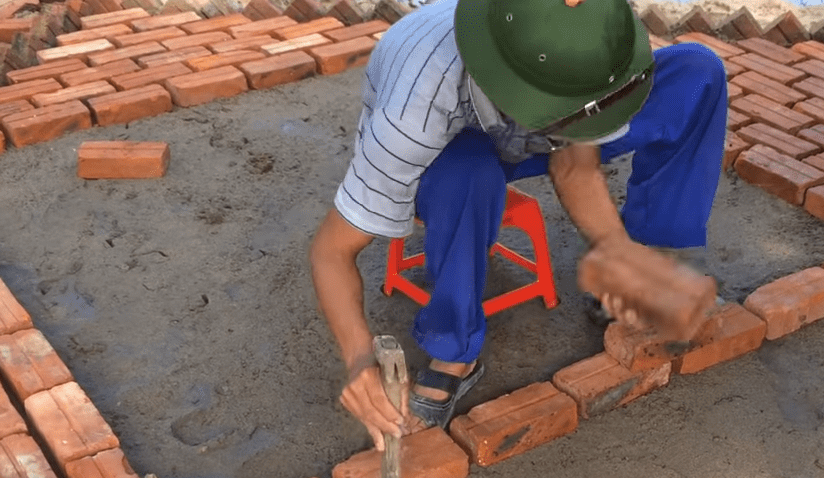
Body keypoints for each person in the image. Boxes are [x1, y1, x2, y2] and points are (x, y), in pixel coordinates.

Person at [309, 0, 728, 449]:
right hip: (453, 150)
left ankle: (649, 257)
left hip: (539, 112)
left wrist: (620, 254)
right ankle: (455, 353)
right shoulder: (415, 110)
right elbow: (331, 250)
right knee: (468, 176)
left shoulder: (586, 46)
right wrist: (358, 361)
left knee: (696, 72)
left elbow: (574, 165)